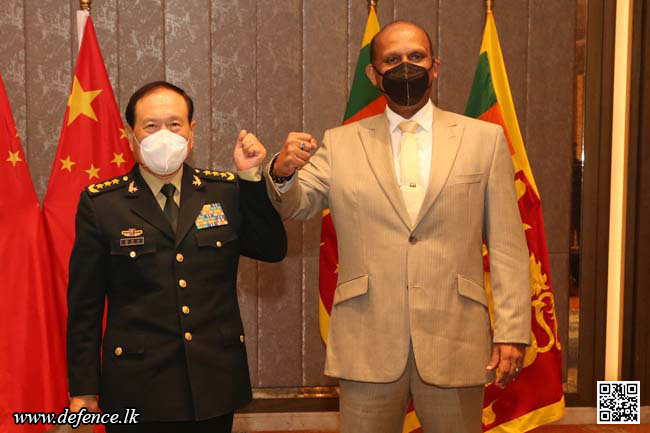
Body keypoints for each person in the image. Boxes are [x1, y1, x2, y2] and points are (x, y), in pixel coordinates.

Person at [265, 21, 531, 433]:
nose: (406, 67)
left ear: (435, 66)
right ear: (373, 76)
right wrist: (281, 173)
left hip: (455, 337)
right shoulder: (340, 142)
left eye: (416, 58)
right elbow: (296, 206)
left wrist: (513, 331)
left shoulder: (484, 140)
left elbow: (508, 245)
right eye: (392, 60)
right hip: (367, 340)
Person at [66, 81, 287, 433]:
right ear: (130, 135)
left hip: (213, 381)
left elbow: (271, 249)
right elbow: (85, 306)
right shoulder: (102, 204)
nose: (164, 135)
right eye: (151, 126)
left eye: (174, 124)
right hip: (136, 387)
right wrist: (83, 389)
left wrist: (250, 177)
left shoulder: (225, 190)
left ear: (191, 132)